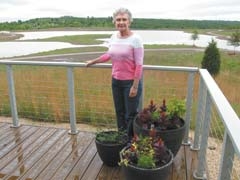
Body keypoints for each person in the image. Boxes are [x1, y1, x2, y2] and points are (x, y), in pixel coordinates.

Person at [85, 8, 144, 139]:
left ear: (129, 22)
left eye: (124, 19)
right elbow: (109, 54)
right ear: (114, 22)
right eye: (118, 19)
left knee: (131, 114)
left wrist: (135, 86)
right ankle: (121, 137)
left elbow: (139, 64)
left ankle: (130, 142)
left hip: (130, 83)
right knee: (120, 112)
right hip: (116, 81)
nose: (121, 22)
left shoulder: (136, 39)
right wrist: (93, 61)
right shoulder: (113, 37)